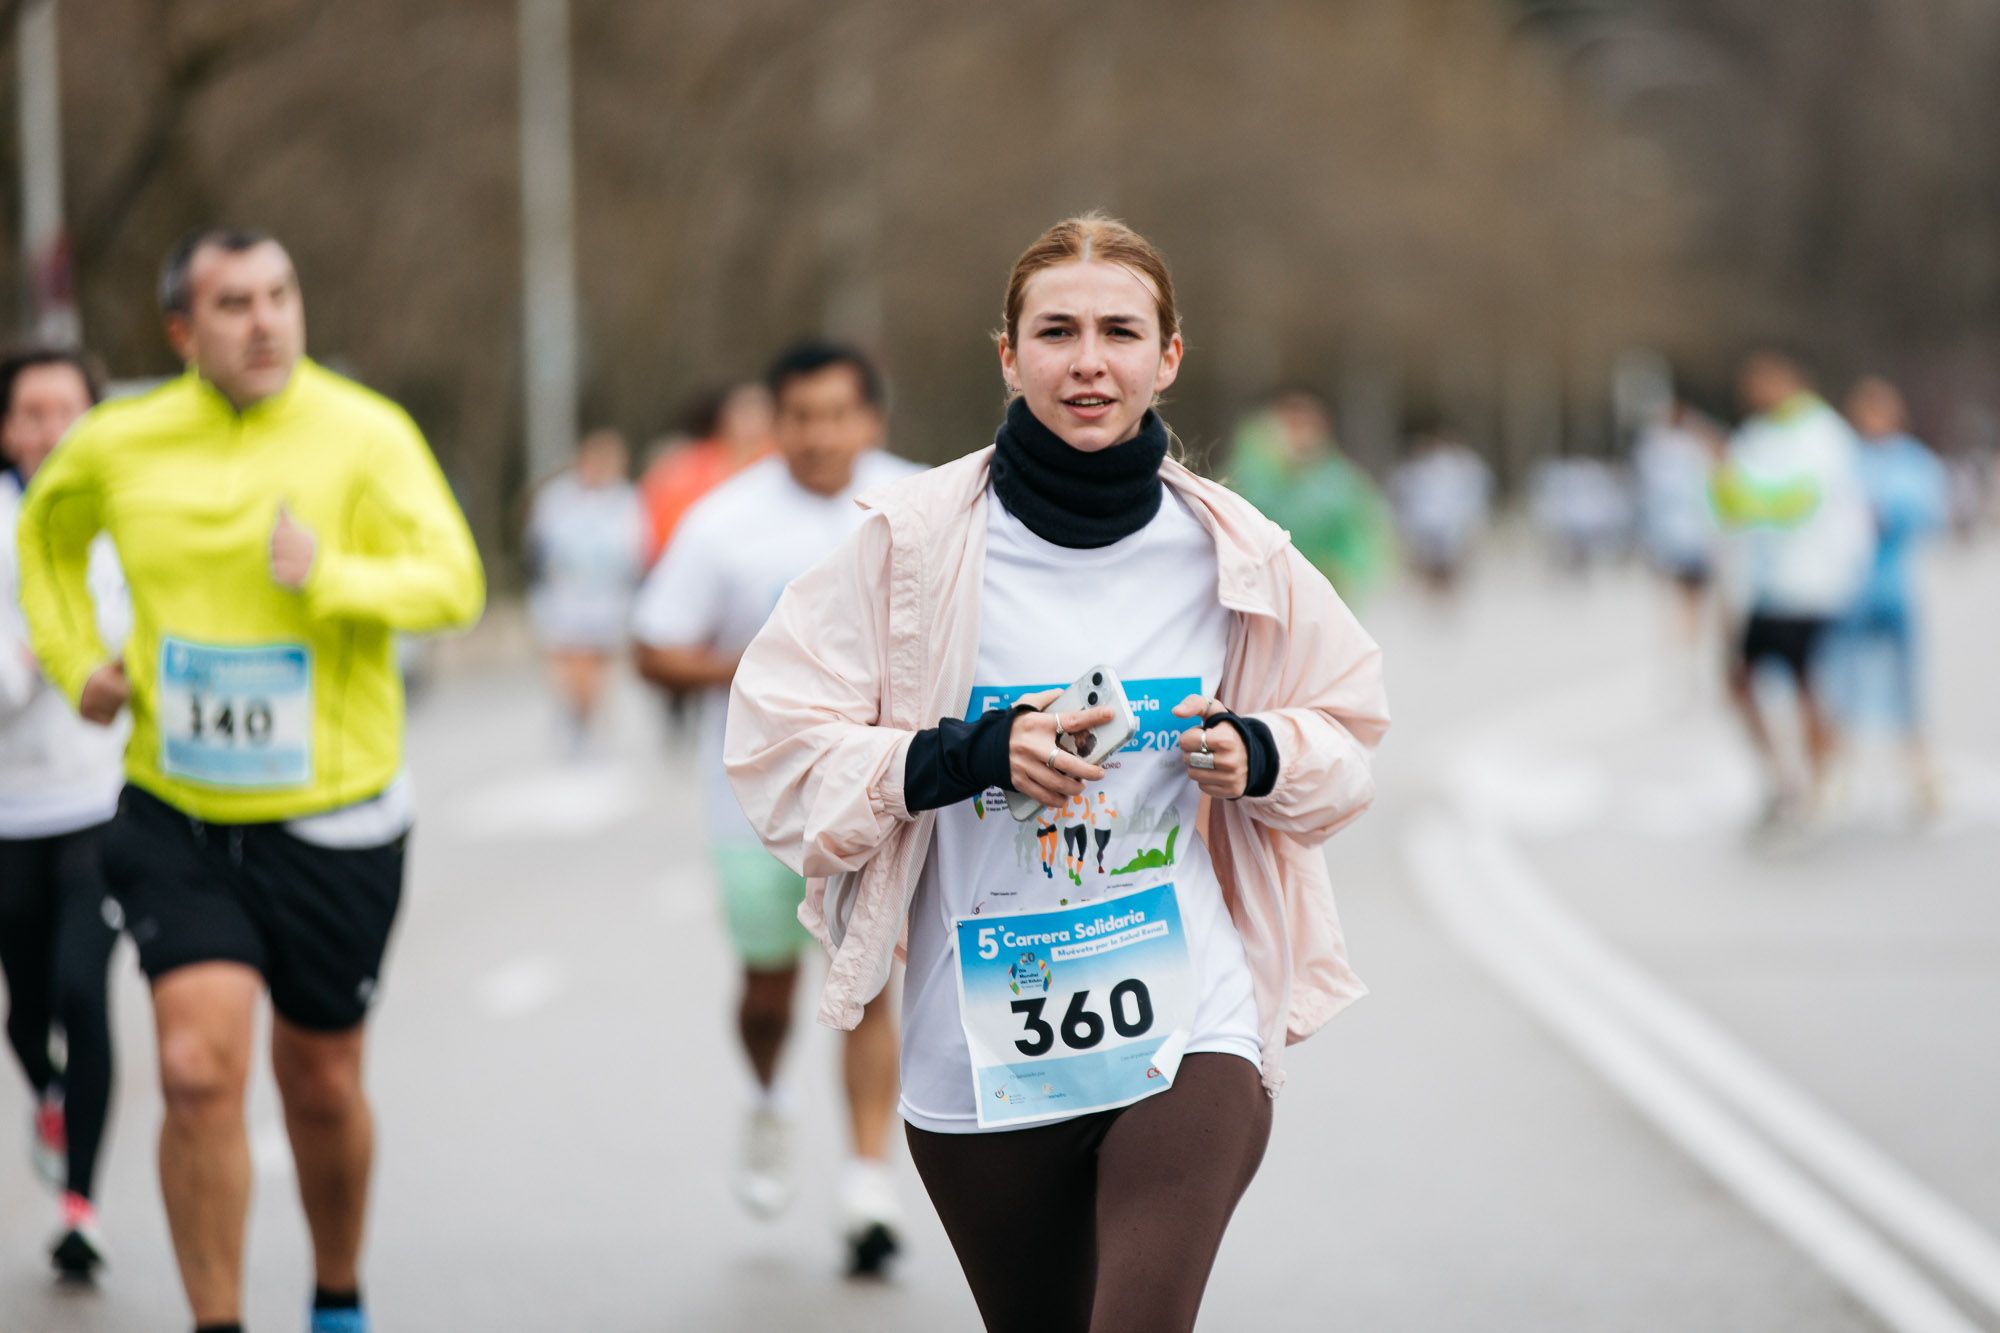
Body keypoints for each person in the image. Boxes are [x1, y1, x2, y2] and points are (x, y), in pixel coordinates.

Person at [724, 214, 1389, 1331]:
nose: (1089, 360)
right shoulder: (910, 545)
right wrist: (964, 755)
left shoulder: (1237, 551)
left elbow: (1347, 729)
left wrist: (1262, 748)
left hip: (1189, 1017)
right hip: (980, 1037)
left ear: (1166, 358)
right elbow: (776, 751)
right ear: (1008, 355)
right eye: (1057, 331)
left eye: (1121, 331)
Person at [15, 227, 485, 1333]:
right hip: (176, 810)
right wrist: (73, 653)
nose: (266, 319)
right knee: (191, 1070)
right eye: (234, 303)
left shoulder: (364, 434)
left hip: (335, 814)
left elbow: (454, 582)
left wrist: (333, 577)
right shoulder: (119, 442)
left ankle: (335, 1295)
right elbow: (44, 535)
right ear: (182, 330)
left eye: (280, 294)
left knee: (320, 1082)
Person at [631, 341, 920, 1278]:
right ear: (775, 422)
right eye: (802, 416)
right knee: (767, 991)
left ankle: (868, 1183)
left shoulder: (920, 505)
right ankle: (767, 1097)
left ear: (871, 421)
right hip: (755, 807)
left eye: (839, 415)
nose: (820, 435)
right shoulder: (725, 523)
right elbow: (654, 646)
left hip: (878, 795)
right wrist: (759, 670)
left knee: (867, 980)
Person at [0, 346, 126, 1280]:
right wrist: (41, 654)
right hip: (10, 809)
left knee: (85, 992)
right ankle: (46, 1092)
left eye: (66, 410)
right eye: (30, 413)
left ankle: (80, 1201)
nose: (49, 430)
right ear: (6, 429)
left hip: (104, 803)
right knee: (26, 1008)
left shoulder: (126, 521)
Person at [1710, 350, 1873, 829]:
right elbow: (1726, 502)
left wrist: (1742, 492)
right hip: (1764, 588)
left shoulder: (1823, 434)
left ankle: (1819, 779)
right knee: (1741, 683)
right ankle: (1784, 777)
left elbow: (1795, 500)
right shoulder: (1758, 436)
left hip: (1812, 585)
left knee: (1806, 688)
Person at [1827, 376, 1950, 819]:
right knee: (1840, 688)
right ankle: (1835, 776)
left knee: (1907, 692)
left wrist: (1884, 513)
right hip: (1851, 593)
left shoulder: (1912, 463)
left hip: (1893, 590)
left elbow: (1924, 515)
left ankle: (1922, 777)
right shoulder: (1848, 459)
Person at [524, 427, 646, 753]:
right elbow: (540, 546)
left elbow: (636, 553)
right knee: (570, 666)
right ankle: (574, 716)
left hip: (606, 604)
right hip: (565, 601)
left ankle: (586, 719)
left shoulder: (626, 501)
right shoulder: (557, 498)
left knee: (595, 671)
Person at [1226, 389, 1396, 604]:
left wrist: (1342, 571)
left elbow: (1363, 537)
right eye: (1291, 425)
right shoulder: (1249, 476)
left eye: (1306, 425)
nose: (1299, 435)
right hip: (1260, 591)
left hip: (1321, 595)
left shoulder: (1339, 483)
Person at [638, 381, 774, 565]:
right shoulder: (685, 468)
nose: (752, 421)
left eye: (760, 412)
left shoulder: (782, 466)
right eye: (743, 411)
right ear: (723, 416)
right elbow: (659, 529)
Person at [1633, 397, 1725, 653]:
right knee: (1693, 590)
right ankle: (1690, 632)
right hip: (1691, 532)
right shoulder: (1691, 445)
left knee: (1680, 588)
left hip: (1674, 533)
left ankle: (1683, 632)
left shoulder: (1655, 447)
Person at [1389, 424, 1492, 596]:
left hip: (1446, 522)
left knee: (1447, 561)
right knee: (1433, 561)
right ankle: (1436, 591)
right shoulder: (1419, 467)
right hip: (1432, 522)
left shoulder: (1461, 466)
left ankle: (1444, 591)